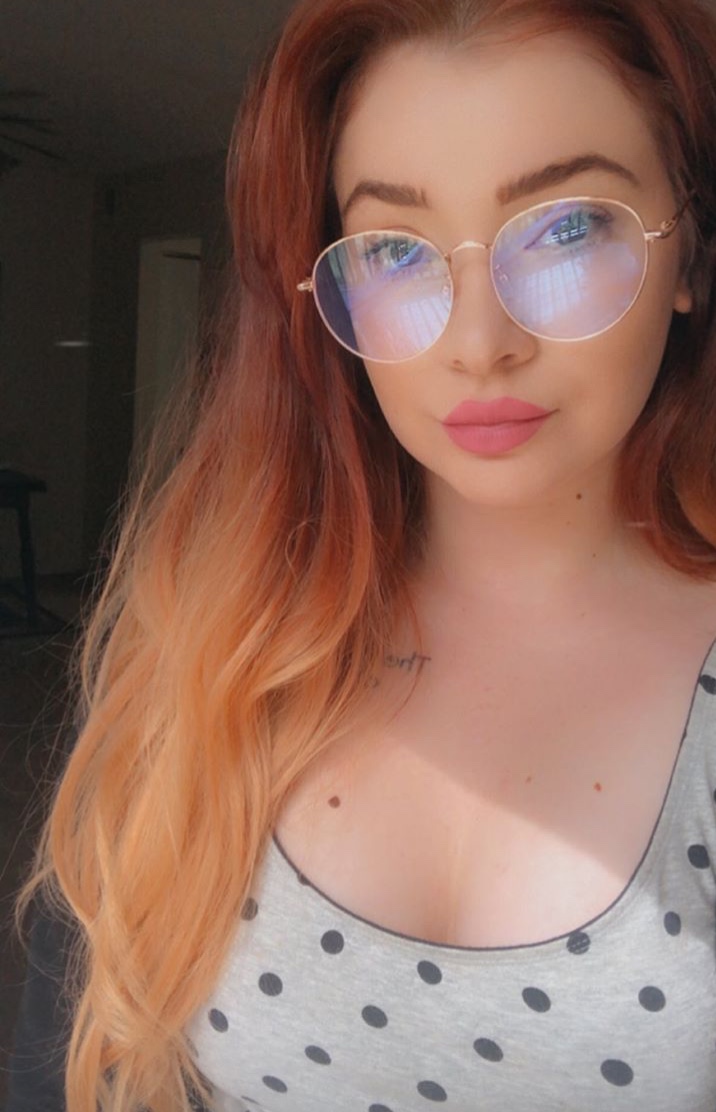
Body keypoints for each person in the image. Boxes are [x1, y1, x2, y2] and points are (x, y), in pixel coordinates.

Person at [7, 0, 716, 1108]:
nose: (478, 341)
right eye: (393, 247)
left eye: (566, 226)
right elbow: (64, 1059)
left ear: (690, 254)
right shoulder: (218, 633)